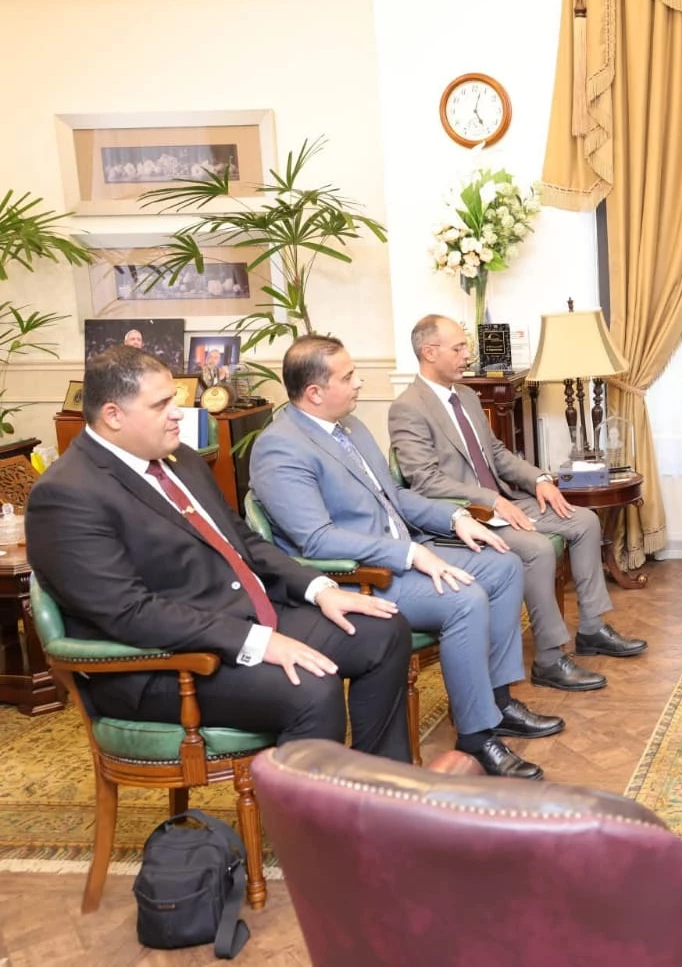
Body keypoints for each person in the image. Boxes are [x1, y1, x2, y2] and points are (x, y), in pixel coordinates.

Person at [24, 345, 412, 760]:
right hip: (162, 663)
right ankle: (309, 803)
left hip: (242, 618)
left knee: (383, 634)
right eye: (160, 405)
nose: (178, 413)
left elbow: (242, 541)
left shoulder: (180, 459)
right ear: (113, 415)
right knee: (312, 689)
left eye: (174, 400)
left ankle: (378, 783)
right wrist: (255, 641)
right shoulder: (67, 494)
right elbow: (129, 612)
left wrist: (320, 589)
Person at [249, 334, 556, 779]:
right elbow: (316, 539)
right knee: (465, 599)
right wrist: (408, 553)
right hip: (360, 577)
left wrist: (454, 517)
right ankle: (476, 736)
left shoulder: (350, 427)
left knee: (504, 566)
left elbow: (392, 496)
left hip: (402, 553)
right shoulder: (280, 447)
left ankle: (497, 701)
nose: (358, 383)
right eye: (348, 377)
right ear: (314, 392)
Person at [390, 315, 642, 687]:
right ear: (429, 352)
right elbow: (425, 481)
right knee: (537, 549)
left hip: (503, 502)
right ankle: (550, 659)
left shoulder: (466, 396)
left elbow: (496, 453)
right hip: (466, 516)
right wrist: (491, 500)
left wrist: (538, 479)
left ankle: (592, 629)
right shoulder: (408, 408)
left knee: (584, 521)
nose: (467, 355)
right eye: (458, 349)